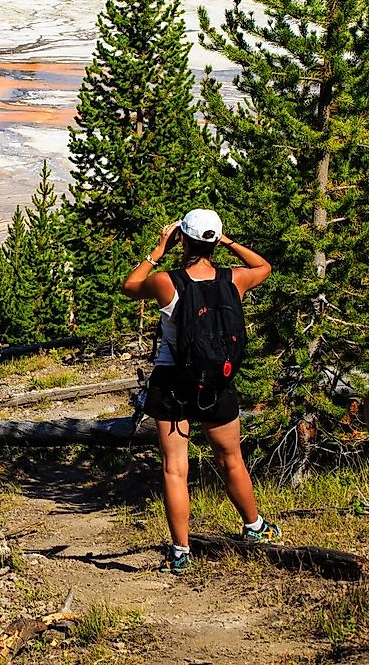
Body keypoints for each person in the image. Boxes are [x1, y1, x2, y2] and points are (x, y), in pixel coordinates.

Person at [122, 209, 280, 574]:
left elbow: (130, 286)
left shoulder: (167, 282)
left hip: (172, 381)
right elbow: (265, 267)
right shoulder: (235, 280)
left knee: (175, 468)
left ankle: (181, 552)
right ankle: (254, 527)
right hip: (217, 382)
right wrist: (228, 242)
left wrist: (158, 250)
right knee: (231, 459)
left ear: (183, 240)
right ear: (213, 241)